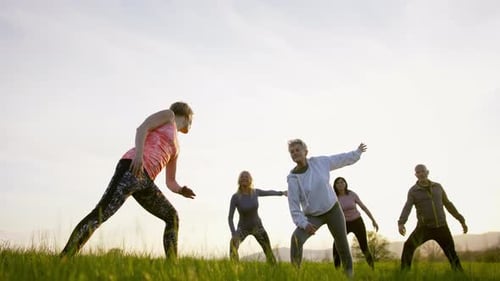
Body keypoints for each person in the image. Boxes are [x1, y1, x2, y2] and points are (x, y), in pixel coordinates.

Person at [60, 101, 196, 259]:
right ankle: (63, 258)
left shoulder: (177, 147)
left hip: (146, 181)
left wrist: (180, 190)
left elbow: (170, 181)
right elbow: (143, 128)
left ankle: (173, 266)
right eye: (191, 119)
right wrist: (138, 155)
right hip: (132, 168)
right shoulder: (169, 115)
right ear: (187, 116)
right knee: (101, 213)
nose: (191, 123)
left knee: (172, 216)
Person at [286, 139, 367, 277]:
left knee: (342, 245)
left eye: (297, 150)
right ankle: (296, 275)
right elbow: (293, 206)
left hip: (333, 210)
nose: (295, 153)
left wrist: (357, 152)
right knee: (296, 239)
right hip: (313, 216)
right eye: (291, 152)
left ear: (306, 151)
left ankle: (349, 276)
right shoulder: (292, 178)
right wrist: (304, 224)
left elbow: (340, 159)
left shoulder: (319, 163)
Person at [398, 164, 468, 271]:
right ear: (415, 175)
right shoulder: (413, 191)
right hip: (424, 228)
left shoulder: (438, 187)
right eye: (418, 172)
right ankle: (403, 275)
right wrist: (401, 223)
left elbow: (448, 204)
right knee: (408, 246)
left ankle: (460, 275)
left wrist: (461, 220)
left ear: (427, 172)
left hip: (441, 227)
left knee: (452, 254)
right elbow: (407, 207)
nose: (421, 174)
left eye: (422, 171)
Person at [228, 170, 287, 264]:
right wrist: (234, 233)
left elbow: (268, 192)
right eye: (242, 177)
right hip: (243, 228)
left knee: (267, 250)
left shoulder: (255, 192)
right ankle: (235, 269)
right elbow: (230, 218)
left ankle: (274, 270)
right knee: (233, 245)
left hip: (257, 227)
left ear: (250, 180)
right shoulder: (235, 197)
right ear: (239, 180)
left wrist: (281, 193)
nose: (244, 178)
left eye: (246, 176)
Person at [332, 176, 378, 269]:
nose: (340, 184)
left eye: (342, 182)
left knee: (364, 246)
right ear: (335, 186)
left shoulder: (352, 194)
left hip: (357, 222)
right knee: (336, 245)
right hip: (344, 224)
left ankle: (372, 268)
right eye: (338, 183)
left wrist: (373, 220)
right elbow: (331, 213)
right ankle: (336, 270)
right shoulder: (334, 197)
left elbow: (363, 207)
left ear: (345, 184)